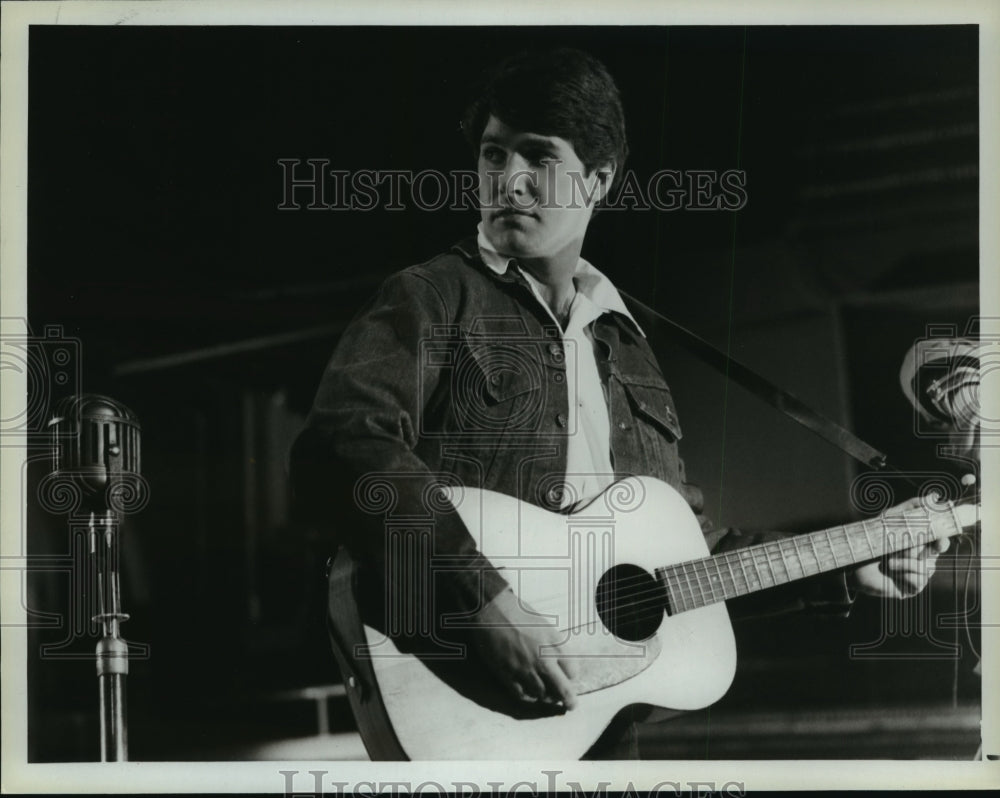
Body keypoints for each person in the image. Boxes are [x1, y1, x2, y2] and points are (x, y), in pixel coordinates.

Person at [290, 47, 948, 759]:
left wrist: (848, 566)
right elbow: (345, 445)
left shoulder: (628, 348)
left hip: (606, 730)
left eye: (537, 157)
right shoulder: (432, 296)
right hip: (470, 712)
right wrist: (484, 605)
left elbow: (682, 562)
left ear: (598, 179)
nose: (508, 181)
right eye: (492, 154)